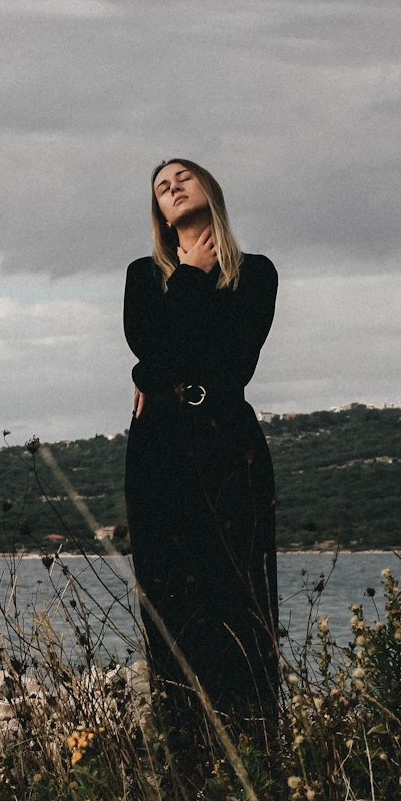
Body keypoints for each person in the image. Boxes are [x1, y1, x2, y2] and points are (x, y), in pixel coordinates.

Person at [123, 158, 279, 746]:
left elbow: (233, 361)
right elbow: (155, 352)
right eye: (162, 187)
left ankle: (256, 745)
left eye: (183, 178)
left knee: (239, 594)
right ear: (159, 212)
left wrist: (157, 359)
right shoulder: (145, 275)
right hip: (159, 447)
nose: (173, 187)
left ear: (209, 190)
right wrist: (187, 277)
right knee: (169, 598)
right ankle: (185, 745)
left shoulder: (256, 273)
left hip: (225, 441)